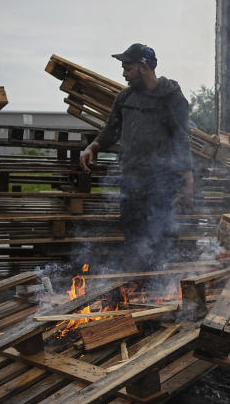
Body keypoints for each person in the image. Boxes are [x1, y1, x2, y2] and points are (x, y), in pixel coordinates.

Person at [79, 43, 194, 270]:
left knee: (158, 232)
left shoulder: (171, 98)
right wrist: (94, 145)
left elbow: (182, 137)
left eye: (128, 68)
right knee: (132, 230)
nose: (124, 74)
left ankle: (158, 286)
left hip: (161, 180)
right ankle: (135, 283)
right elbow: (112, 128)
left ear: (144, 67)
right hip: (131, 177)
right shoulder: (125, 98)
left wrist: (188, 178)